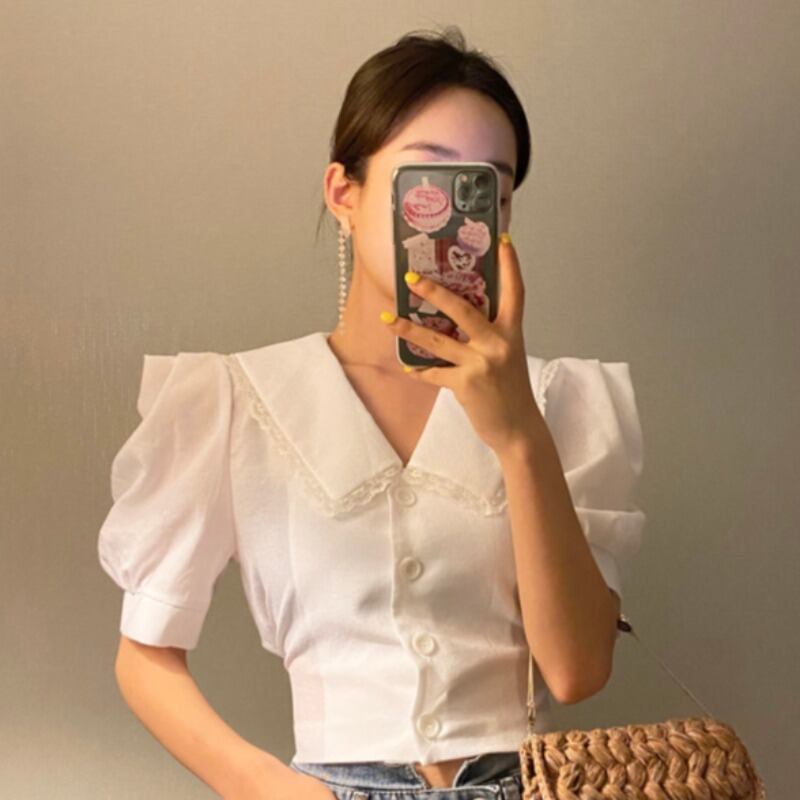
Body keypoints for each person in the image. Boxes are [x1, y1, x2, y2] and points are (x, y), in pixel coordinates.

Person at [98, 26, 646, 800]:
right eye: (426, 175)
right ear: (343, 194)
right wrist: (271, 788)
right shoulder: (232, 400)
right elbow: (144, 654)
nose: (452, 218)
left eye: (486, 190)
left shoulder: (561, 400)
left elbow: (578, 669)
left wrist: (519, 433)